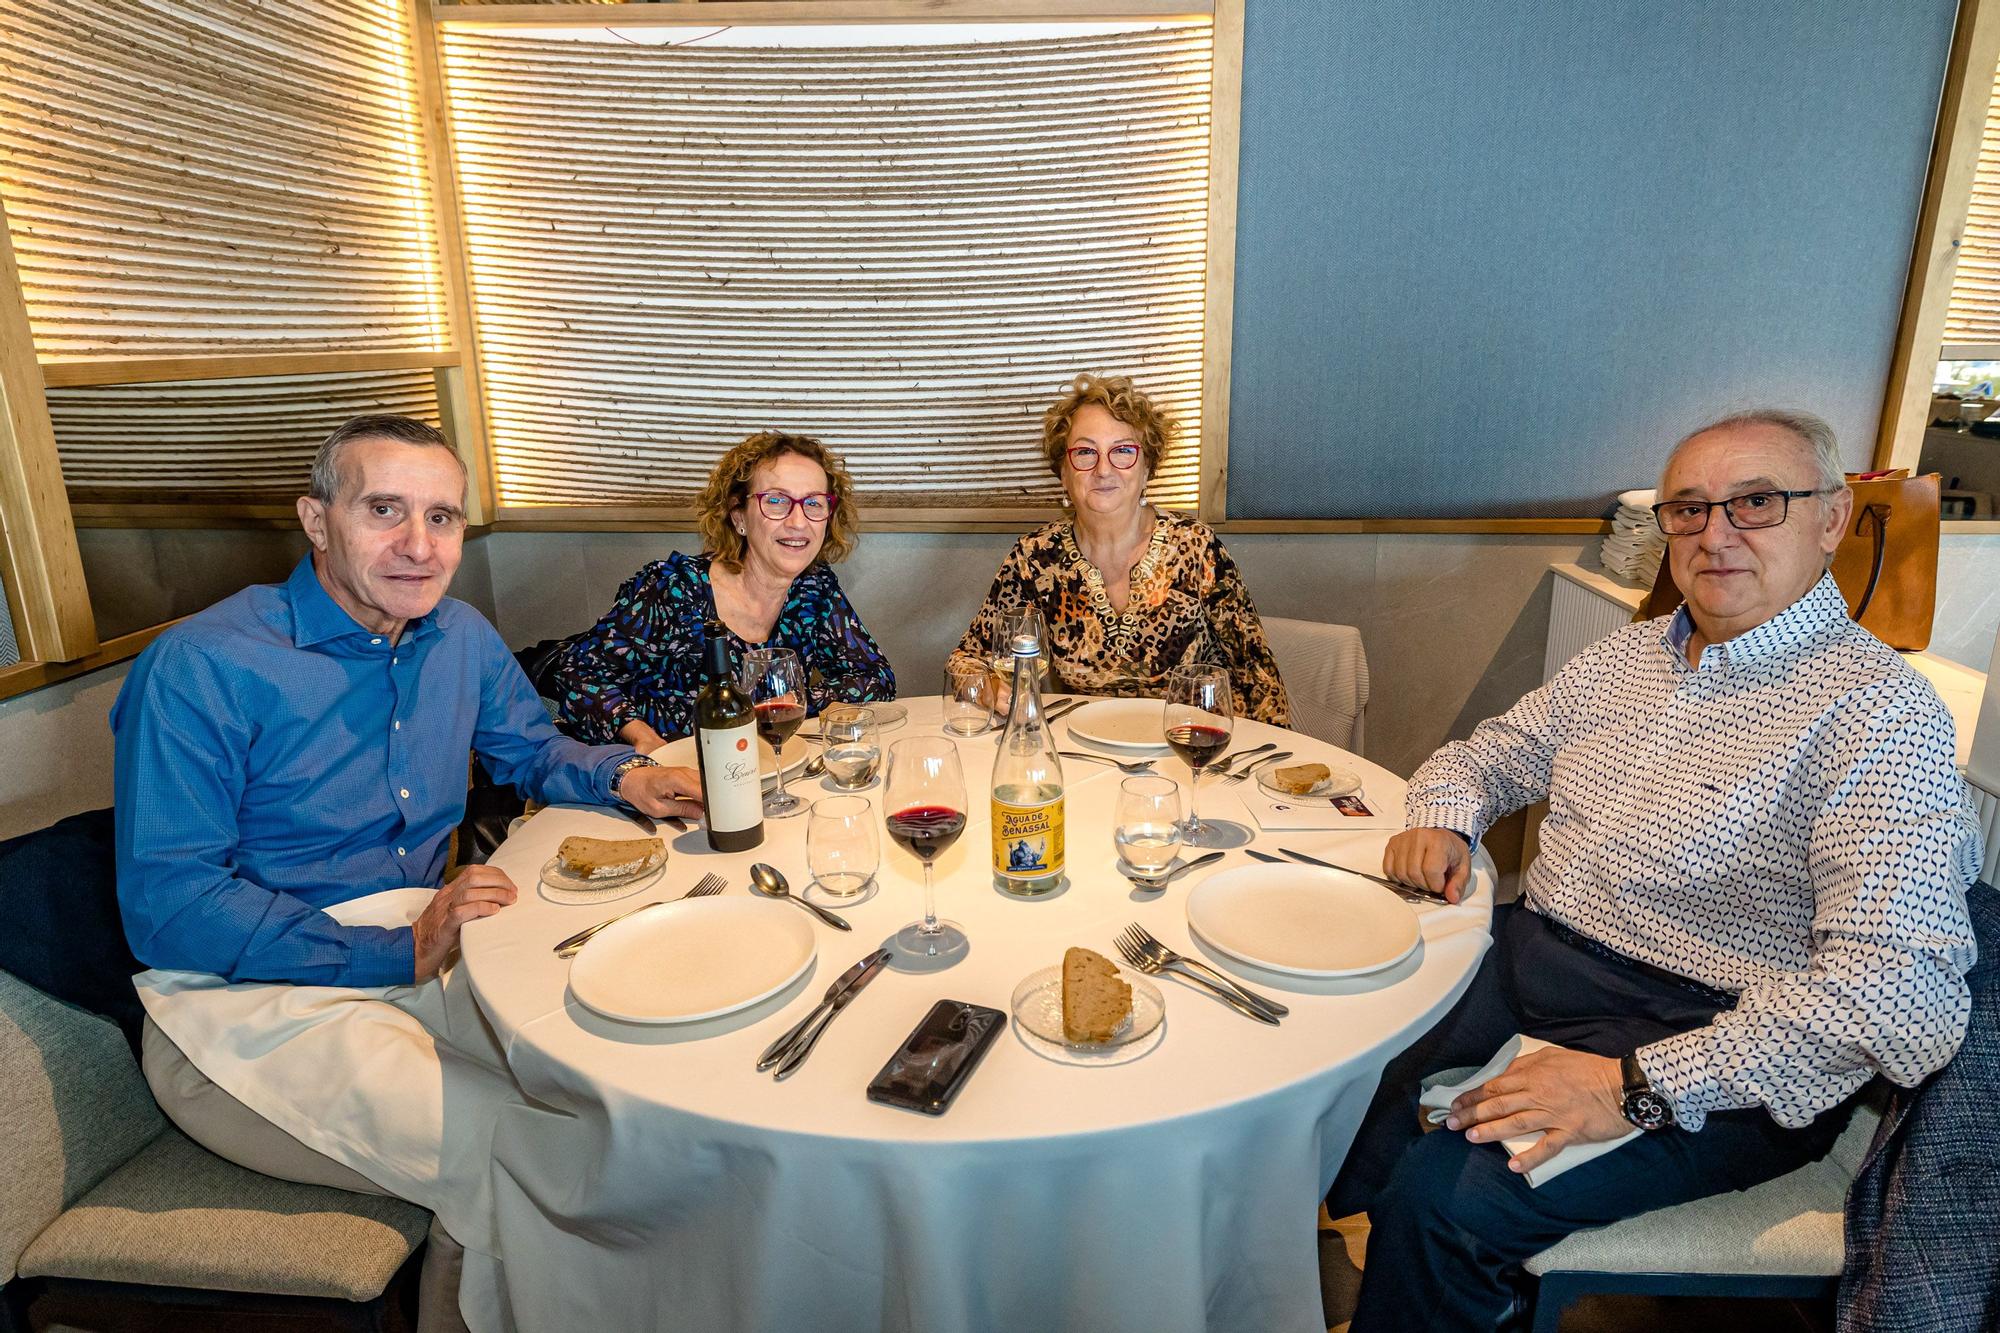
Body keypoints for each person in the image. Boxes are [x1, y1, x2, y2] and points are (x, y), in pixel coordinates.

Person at [1325, 409, 1982, 1332]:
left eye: (1756, 502)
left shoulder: (1878, 716)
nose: (1715, 535)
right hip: (1531, 957)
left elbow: (1899, 999)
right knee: (1334, 1078)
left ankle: (1430, 1275)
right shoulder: (1632, 654)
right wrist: (1446, 813)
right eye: (1689, 509)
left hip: (1702, 1034)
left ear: (1831, 519)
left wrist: (1632, 1084)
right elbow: (1496, 752)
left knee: (1447, 1202)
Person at [110, 415, 706, 1323]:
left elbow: (530, 749)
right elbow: (172, 905)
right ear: (317, 520)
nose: (419, 546)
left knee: (613, 1086)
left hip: (417, 948)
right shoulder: (201, 666)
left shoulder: (457, 634)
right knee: (525, 1154)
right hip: (243, 1002)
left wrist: (630, 773)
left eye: (443, 518)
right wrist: (399, 947)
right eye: (385, 510)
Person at [948, 373, 1289, 723]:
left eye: (1123, 451)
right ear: (1063, 473)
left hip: (1192, 750)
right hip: (1086, 757)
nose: (1104, 469)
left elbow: (1260, 680)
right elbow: (965, 661)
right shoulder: (1035, 558)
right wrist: (991, 688)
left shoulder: (1196, 548)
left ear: (1146, 470)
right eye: (1085, 452)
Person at [548, 431, 894, 749]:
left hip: (759, 768)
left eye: (814, 503)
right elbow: (579, 673)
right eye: (776, 501)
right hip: (662, 771)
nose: (798, 522)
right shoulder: (676, 590)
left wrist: (789, 702)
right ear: (738, 515)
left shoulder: (813, 590)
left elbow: (875, 679)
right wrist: (641, 737)